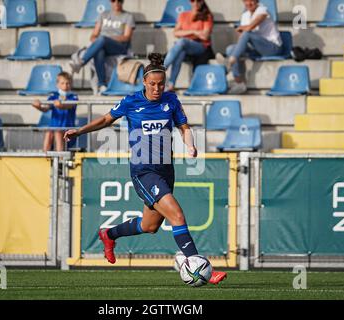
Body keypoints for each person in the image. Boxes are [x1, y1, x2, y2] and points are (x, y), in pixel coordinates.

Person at [64, 53, 227, 285]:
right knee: (177, 215)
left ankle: (108, 235)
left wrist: (190, 145)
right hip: (143, 171)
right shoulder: (131, 101)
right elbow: (104, 120)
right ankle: (198, 266)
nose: (157, 88)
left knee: (149, 226)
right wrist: (79, 132)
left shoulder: (171, 100)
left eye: (161, 84)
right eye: (152, 84)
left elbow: (184, 127)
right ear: (144, 82)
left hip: (166, 170)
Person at [69, 0, 135, 94]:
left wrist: (106, 39)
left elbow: (126, 37)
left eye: (119, 0)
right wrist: (99, 42)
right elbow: (93, 36)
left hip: (120, 46)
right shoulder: (103, 15)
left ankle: (81, 62)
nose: (116, 3)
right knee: (99, 51)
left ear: (122, 2)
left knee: (103, 39)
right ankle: (102, 85)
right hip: (103, 45)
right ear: (110, 2)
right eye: (113, 0)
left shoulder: (128, 16)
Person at [219, 0, 283, 94]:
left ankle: (230, 62)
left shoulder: (263, 10)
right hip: (256, 48)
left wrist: (241, 28)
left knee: (247, 34)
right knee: (230, 49)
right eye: (246, 1)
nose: (248, 3)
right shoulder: (245, 15)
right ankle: (239, 82)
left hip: (272, 48)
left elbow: (249, 28)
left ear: (256, 1)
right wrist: (239, 49)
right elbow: (242, 38)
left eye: (251, 1)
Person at [164, 0, 214, 92]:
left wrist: (185, 34)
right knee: (181, 51)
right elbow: (175, 32)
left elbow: (205, 36)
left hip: (201, 46)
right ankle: (171, 84)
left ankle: (162, 67)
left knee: (182, 42)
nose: (195, 3)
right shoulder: (183, 15)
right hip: (185, 46)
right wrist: (194, 32)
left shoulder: (206, 16)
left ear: (202, 2)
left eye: (198, 1)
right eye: (192, 0)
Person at [32, 72, 78, 152]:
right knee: (49, 132)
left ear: (71, 84)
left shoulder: (73, 96)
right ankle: (45, 157)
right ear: (57, 85)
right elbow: (46, 108)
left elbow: (70, 105)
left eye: (68, 83)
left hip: (68, 130)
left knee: (58, 132)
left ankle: (60, 160)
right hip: (54, 128)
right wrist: (38, 106)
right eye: (62, 83)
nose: (65, 86)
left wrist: (61, 106)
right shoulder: (54, 96)